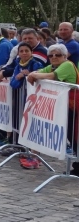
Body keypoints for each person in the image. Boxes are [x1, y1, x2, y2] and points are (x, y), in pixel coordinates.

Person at [27, 44, 79, 174]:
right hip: (65, 107)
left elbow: (52, 76)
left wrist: (34, 75)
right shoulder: (53, 66)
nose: (54, 57)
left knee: (75, 136)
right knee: (71, 136)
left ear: (65, 56)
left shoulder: (67, 65)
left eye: (58, 55)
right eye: (51, 55)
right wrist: (34, 73)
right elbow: (41, 72)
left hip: (74, 107)